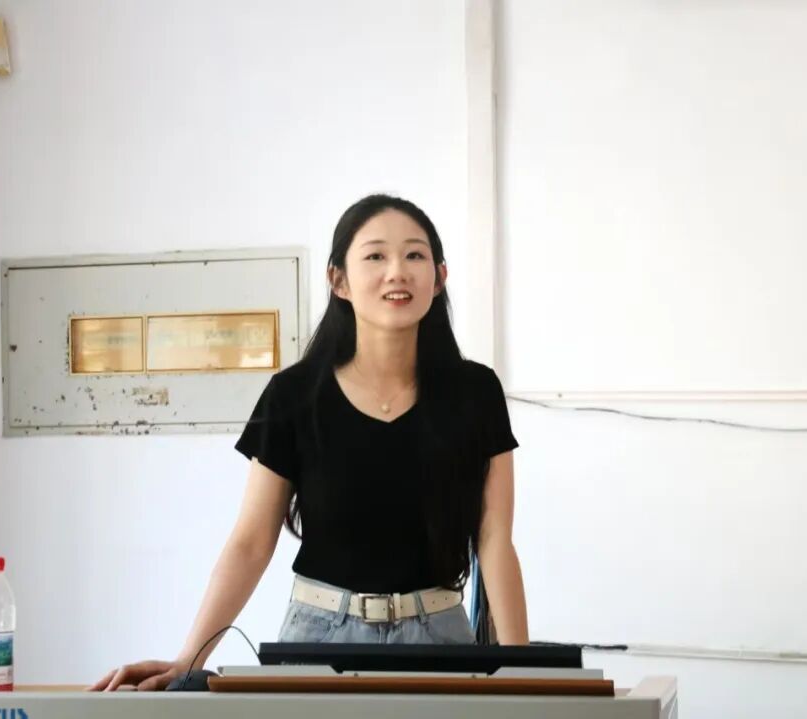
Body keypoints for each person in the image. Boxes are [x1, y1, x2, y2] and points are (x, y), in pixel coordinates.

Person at [90, 193, 528, 692]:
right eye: (375, 256)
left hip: (441, 638)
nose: (397, 272)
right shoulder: (294, 395)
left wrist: (525, 671)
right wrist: (188, 658)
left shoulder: (475, 392)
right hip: (320, 638)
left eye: (414, 255)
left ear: (439, 276)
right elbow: (252, 542)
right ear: (338, 280)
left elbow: (495, 539)